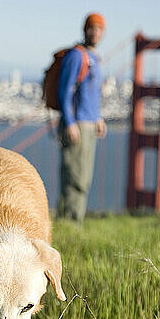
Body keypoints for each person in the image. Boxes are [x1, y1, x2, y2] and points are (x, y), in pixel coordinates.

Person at [57, 13, 107, 224]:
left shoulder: (94, 58)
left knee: (84, 178)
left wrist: (98, 117)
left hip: (89, 124)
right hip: (76, 125)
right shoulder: (77, 56)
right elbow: (64, 91)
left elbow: (90, 93)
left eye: (99, 28)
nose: (95, 32)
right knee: (74, 176)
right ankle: (68, 223)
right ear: (85, 30)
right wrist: (69, 122)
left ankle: (77, 221)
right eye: (91, 28)